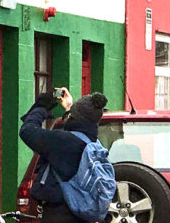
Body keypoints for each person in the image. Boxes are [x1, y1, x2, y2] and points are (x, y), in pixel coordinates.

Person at [19, 88, 108, 223]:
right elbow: (75, 129)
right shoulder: (94, 143)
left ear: (74, 116)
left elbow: (27, 130)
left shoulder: (62, 141)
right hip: (82, 212)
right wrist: (69, 108)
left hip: (59, 214)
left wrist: (42, 106)